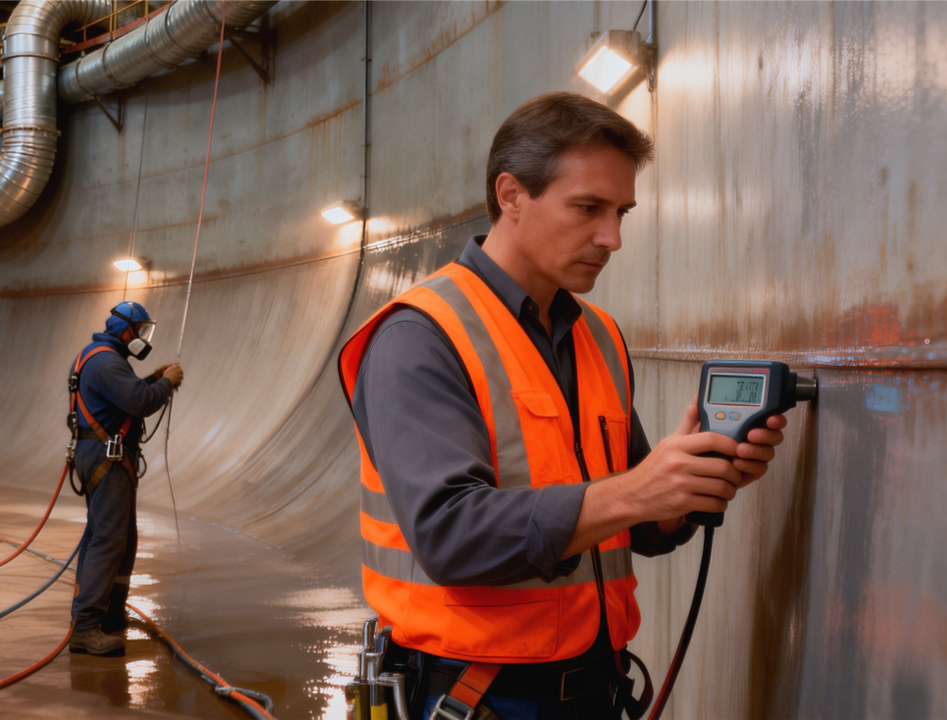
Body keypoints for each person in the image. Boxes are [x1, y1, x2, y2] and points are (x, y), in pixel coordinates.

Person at [337, 92, 790, 719]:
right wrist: (638, 490)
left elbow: (627, 524)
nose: (613, 238)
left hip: (595, 687)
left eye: (622, 212)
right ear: (511, 195)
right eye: (588, 208)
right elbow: (450, 535)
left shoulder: (597, 335)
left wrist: (688, 481)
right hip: (477, 694)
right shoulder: (421, 337)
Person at [68, 301, 183, 656]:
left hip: (103, 456)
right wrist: (165, 384)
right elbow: (138, 402)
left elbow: (122, 396)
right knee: (108, 540)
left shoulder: (101, 357)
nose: (143, 339)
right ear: (125, 330)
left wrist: (152, 379)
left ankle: (111, 614)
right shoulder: (106, 361)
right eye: (140, 331)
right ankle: (86, 627)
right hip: (107, 458)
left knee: (119, 538)